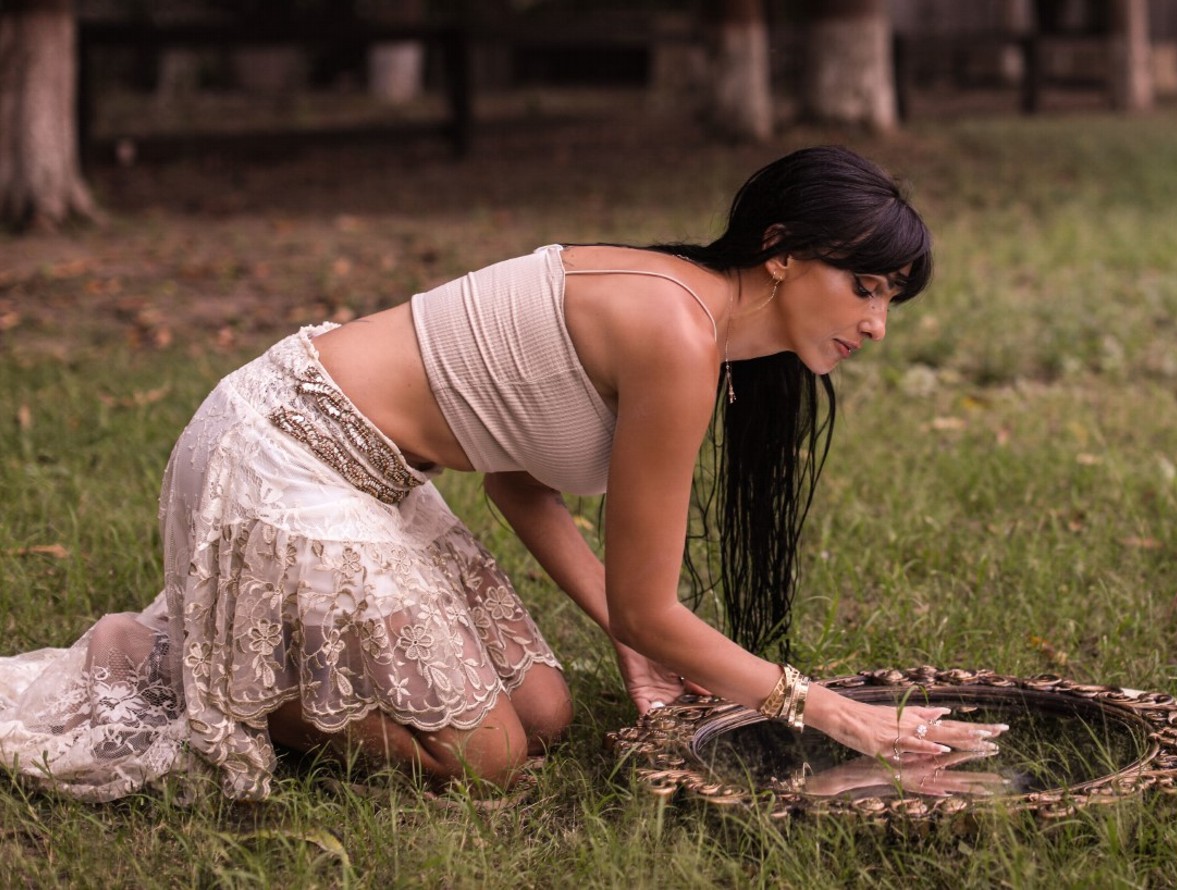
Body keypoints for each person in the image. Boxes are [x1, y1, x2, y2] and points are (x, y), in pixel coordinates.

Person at [0, 146, 1005, 803]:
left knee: (547, 710)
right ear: (780, 253)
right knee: (486, 759)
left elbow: (519, 481)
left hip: (371, 472)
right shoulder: (676, 331)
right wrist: (829, 708)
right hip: (283, 451)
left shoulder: (691, 316)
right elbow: (651, 605)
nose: (876, 324)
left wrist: (634, 640)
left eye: (891, 300)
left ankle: (231, 646)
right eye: (863, 287)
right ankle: (188, 666)